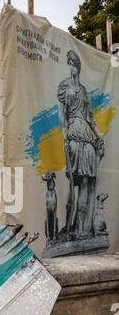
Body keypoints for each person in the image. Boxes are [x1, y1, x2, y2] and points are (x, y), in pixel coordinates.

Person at [58, 50, 104, 238]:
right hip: (74, 135)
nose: (72, 67)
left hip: (87, 137)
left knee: (86, 182)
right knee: (74, 181)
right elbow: (61, 116)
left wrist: (100, 136)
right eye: (69, 63)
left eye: (74, 64)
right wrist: (64, 137)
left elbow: (91, 119)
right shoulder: (63, 87)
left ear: (78, 67)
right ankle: (70, 226)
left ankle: (81, 230)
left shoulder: (84, 91)